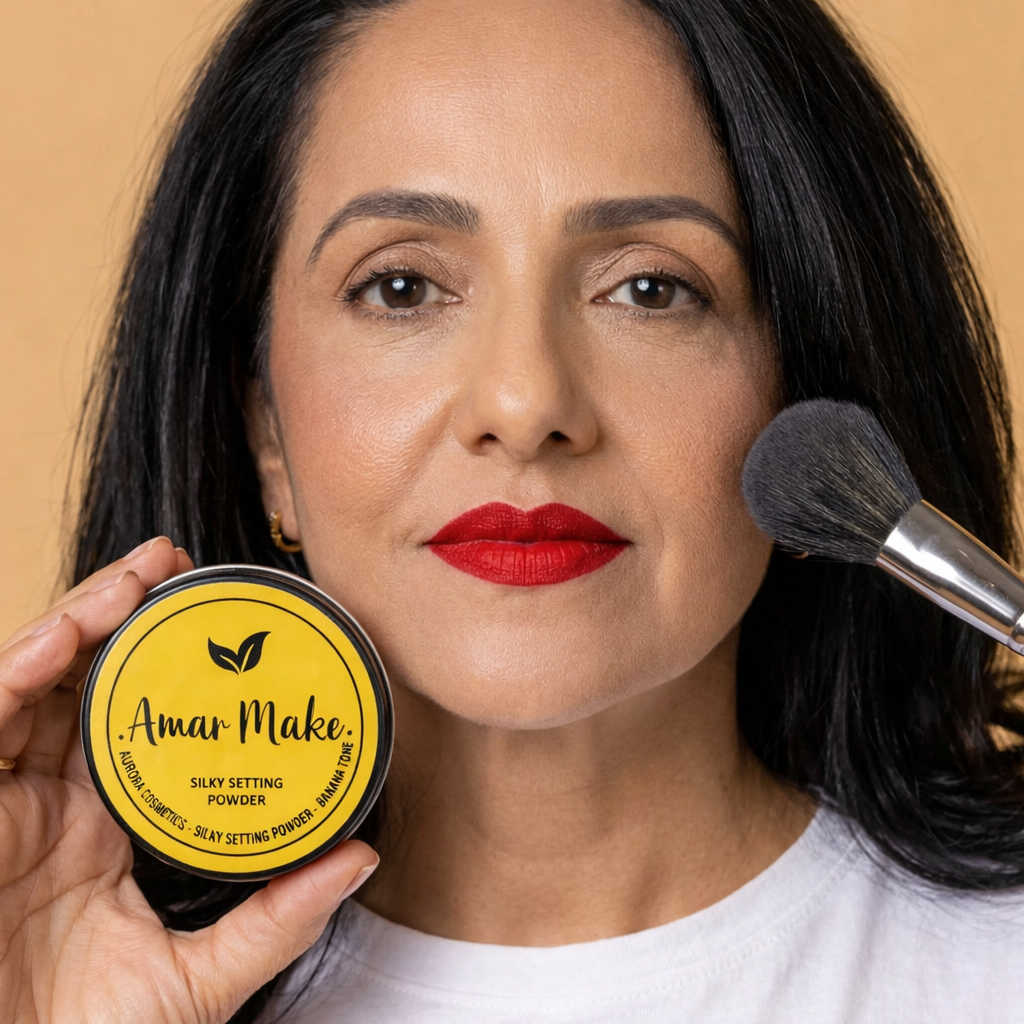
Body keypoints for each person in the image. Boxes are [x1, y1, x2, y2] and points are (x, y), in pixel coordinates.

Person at [3, 0, 1024, 1020]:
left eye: (649, 290)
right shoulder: (78, 976)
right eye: (402, 288)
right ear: (265, 428)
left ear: (803, 390)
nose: (526, 405)